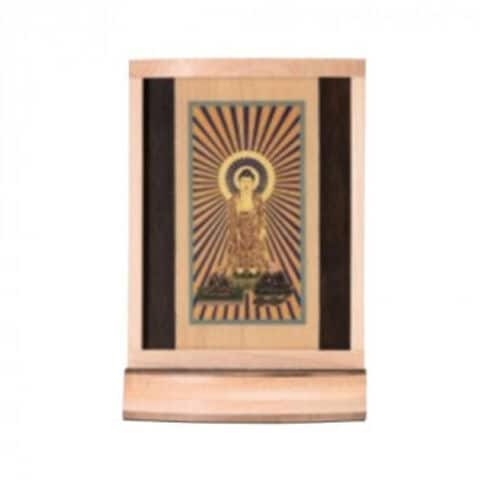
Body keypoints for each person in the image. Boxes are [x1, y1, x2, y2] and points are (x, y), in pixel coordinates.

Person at [224, 168, 269, 275]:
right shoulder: (233, 200)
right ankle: (238, 268)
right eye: (243, 181)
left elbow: (262, 215)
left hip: (254, 229)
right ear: (239, 183)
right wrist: (233, 231)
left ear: (253, 184)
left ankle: (255, 267)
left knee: (257, 248)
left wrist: (262, 228)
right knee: (236, 247)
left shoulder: (258, 199)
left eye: (249, 181)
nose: (246, 184)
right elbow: (231, 217)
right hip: (238, 229)